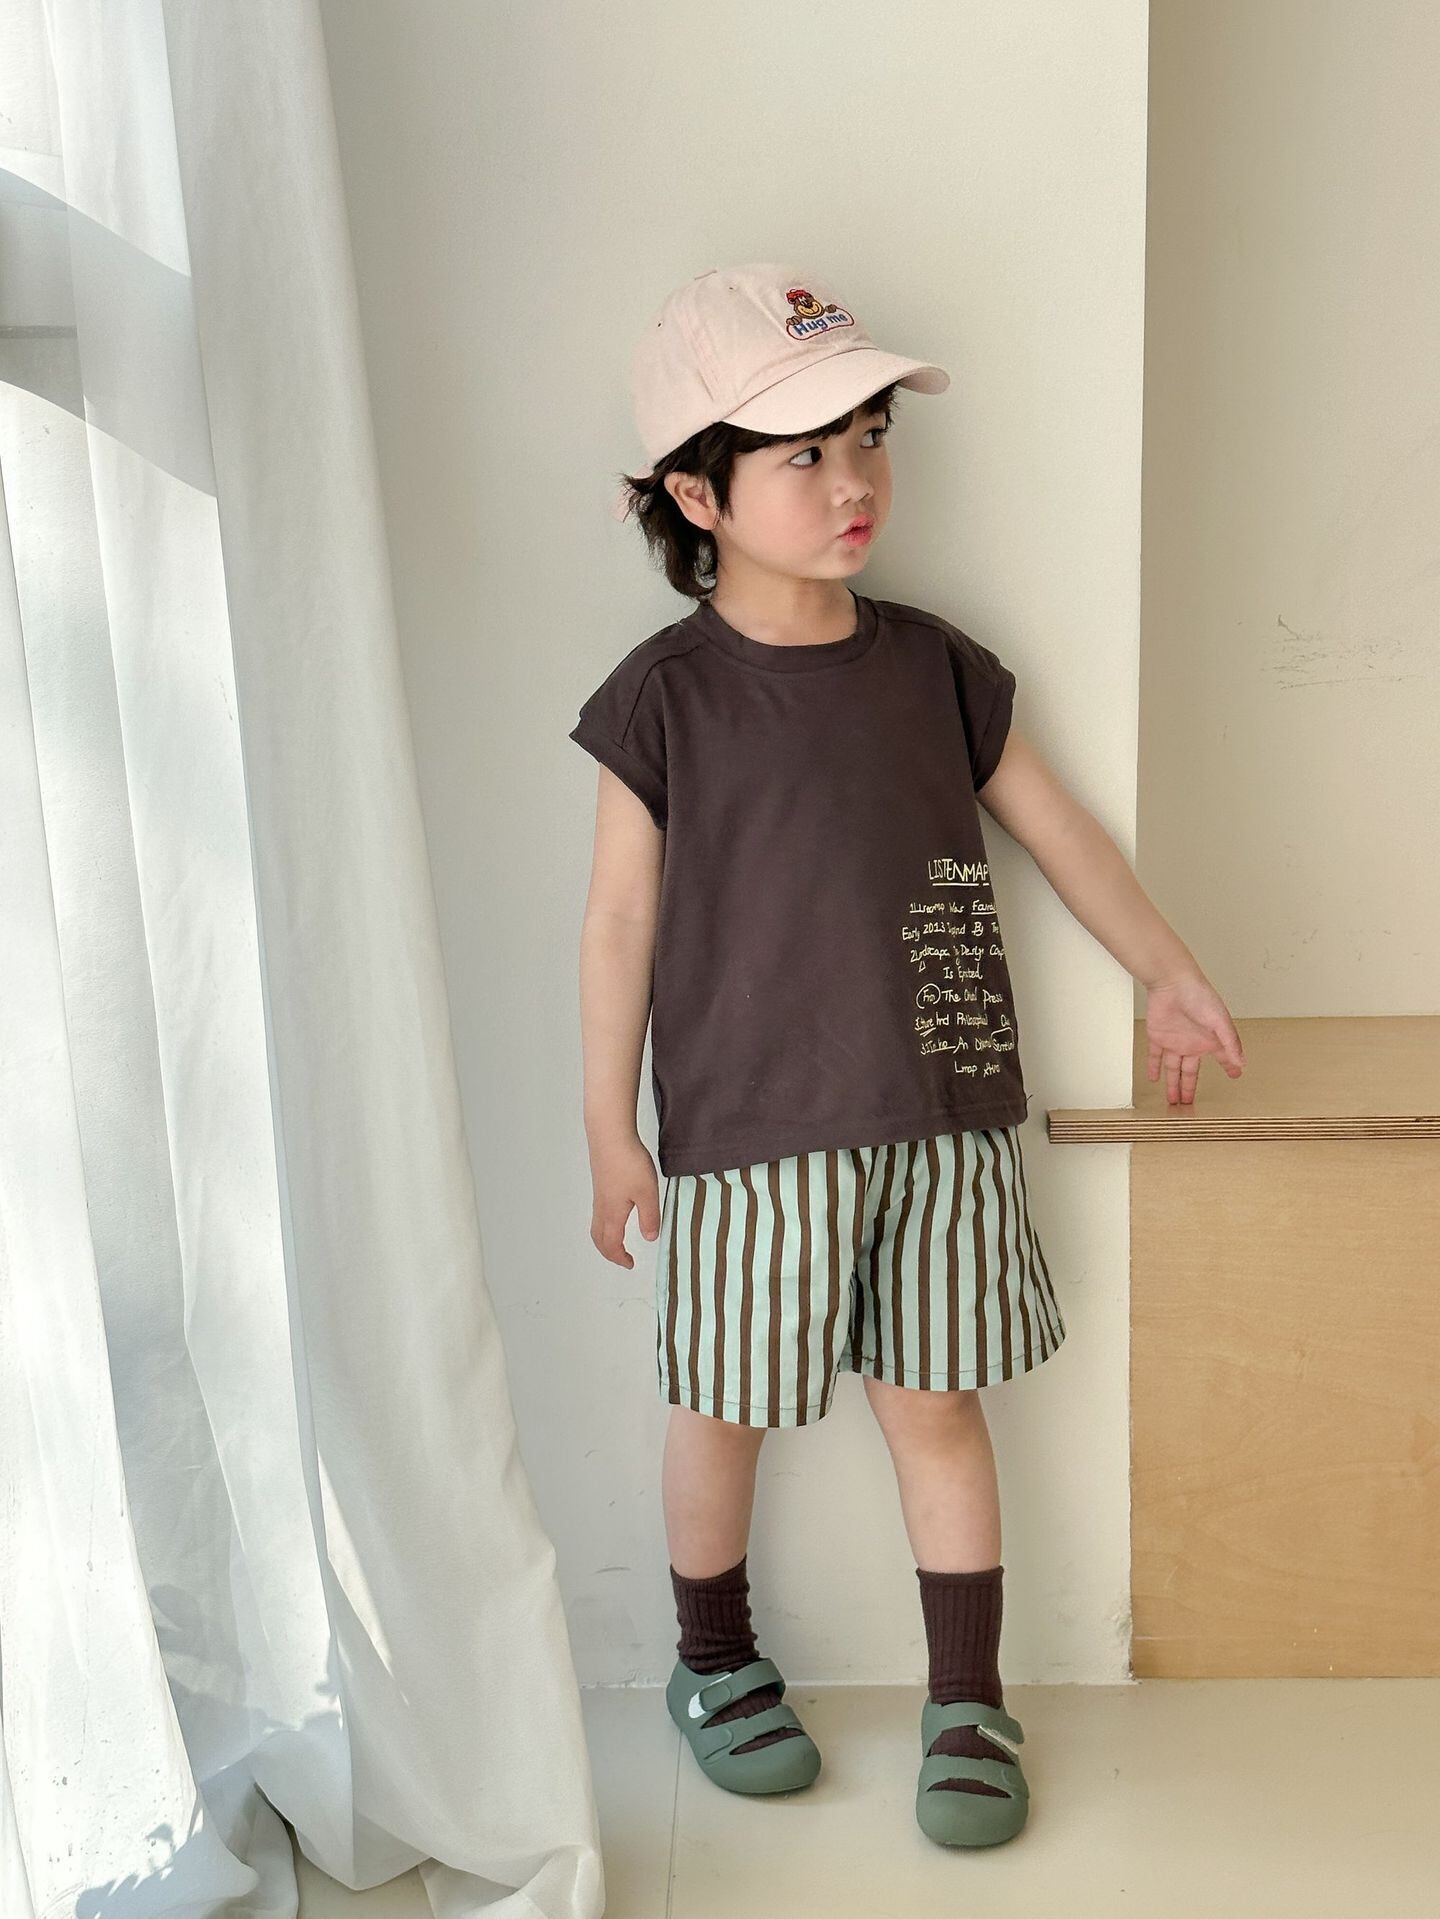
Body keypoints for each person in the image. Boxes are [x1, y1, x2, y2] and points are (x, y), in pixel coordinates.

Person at [568, 262, 1245, 1848]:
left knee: (937, 1405)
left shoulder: (936, 667)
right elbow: (615, 924)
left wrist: (1166, 971)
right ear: (697, 496)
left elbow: (1058, 832)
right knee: (723, 1404)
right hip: (749, 1136)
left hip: (943, 1117)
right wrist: (609, 1128)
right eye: (804, 452)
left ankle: (967, 1697)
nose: (854, 479)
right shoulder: (665, 699)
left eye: (869, 436)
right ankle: (712, 1660)